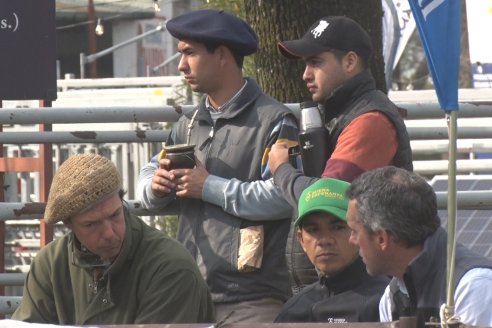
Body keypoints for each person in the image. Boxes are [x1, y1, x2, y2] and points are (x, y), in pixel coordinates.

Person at [136, 9, 299, 323]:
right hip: (189, 296)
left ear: (222, 55)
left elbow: (283, 196)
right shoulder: (188, 124)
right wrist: (155, 188)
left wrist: (208, 186)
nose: (181, 65)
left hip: (254, 301)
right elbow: (148, 172)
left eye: (190, 53)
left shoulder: (274, 121)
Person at [268, 15, 413, 291]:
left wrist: (282, 170)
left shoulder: (369, 120)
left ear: (349, 62)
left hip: (363, 288)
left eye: (315, 62)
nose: (305, 74)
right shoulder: (339, 115)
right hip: (339, 285)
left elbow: (324, 197)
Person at [12, 154, 214, 325]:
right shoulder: (50, 265)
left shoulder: (170, 268)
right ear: (68, 224)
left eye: (115, 215)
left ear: (122, 201)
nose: (109, 233)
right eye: (91, 224)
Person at [346, 166, 492, 327]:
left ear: (382, 238)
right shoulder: (393, 295)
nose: (351, 240)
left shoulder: (474, 286)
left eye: (354, 231)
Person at [275, 178, 388, 323]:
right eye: (313, 230)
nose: (325, 240)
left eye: (337, 227)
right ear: (301, 240)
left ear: (359, 232)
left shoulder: (385, 302)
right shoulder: (293, 310)